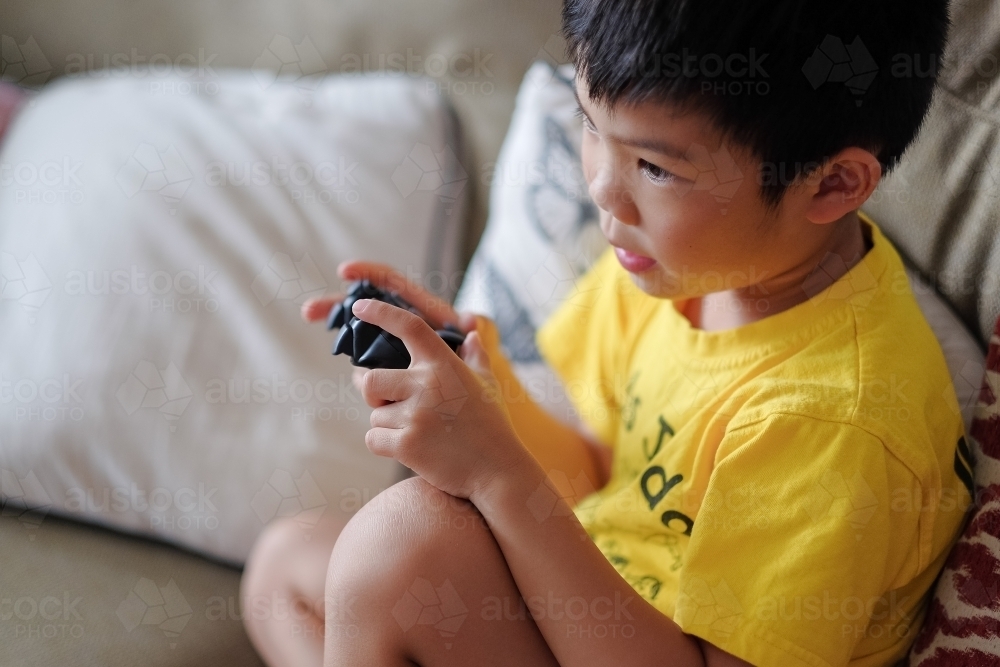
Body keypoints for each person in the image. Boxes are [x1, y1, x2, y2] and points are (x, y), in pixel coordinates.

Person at [241, 1, 971, 665]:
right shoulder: (675, 267)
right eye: (593, 126)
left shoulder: (836, 418)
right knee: (287, 567)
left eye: (655, 166)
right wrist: (485, 392)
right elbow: (591, 473)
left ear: (833, 184)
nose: (604, 190)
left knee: (402, 547)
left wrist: (497, 473)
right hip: (577, 603)